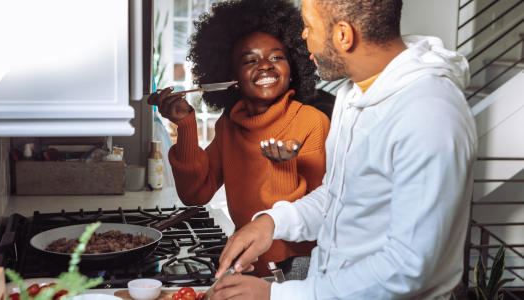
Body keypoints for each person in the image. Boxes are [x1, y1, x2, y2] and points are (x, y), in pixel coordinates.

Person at [212, 0, 478, 299]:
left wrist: (277, 295)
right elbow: (339, 195)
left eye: (309, 26)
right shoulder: (355, 94)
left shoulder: (429, 113)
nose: (302, 36)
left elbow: (408, 267)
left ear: (343, 35)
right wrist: (273, 222)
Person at [147, 0, 330, 277]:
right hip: (247, 267)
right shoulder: (229, 124)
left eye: (277, 57)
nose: (266, 66)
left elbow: (319, 216)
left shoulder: (311, 122)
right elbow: (195, 194)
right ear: (232, 76)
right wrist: (185, 125)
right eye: (250, 60)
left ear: (293, 66)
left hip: (296, 275)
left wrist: (282, 166)